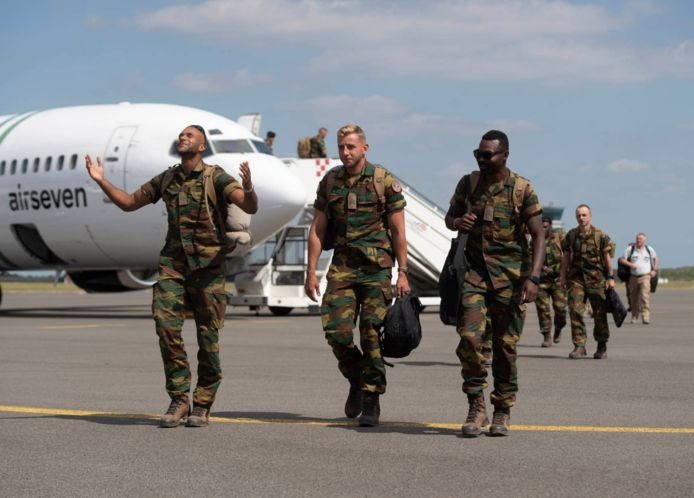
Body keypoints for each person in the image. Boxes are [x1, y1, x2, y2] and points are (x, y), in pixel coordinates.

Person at [85, 125, 258, 428]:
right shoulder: (167, 178)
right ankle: (179, 398)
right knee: (166, 327)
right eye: (181, 135)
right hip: (173, 266)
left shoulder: (216, 177)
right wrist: (102, 181)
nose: (183, 137)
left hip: (208, 268)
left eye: (190, 135)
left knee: (208, 339)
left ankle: (202, 403)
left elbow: (247, 204)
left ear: (202, 146)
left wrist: (249, 187)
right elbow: (128, 203)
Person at [304, 123, 409, 427]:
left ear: (365, 148)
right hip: (343, 268)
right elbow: (318, 229)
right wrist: (311, 271)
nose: (345, 152)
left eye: (351, 146)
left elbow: (398, 230)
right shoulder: (330, 181)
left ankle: (372, 400)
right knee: (336, 333)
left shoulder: (383, 181)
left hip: (377, 270)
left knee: (371, 335)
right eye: (341, 147)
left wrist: (403, 272)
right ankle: (357, 378)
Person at [445, 130, 544, 437]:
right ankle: (477, 406)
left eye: (488, 155)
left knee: (504, 347)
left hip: (511, 281)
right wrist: (458, 223)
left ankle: (502, 409)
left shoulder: (521, 188)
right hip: (474, 276)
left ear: (505, 156)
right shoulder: (469, 184)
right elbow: (450, 217)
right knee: (470, 340)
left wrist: (534, 277)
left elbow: (539, 234)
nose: (482, 159)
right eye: (479, 154)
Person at [560, 205, 615, 360]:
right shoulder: (571, 235)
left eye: (584, 215)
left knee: (599, 313)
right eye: (578, 215)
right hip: (576, 279)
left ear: (590, 215)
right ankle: (579, 345)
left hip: (596, 280)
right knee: (575, 310)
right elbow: (565, 258)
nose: (581, 218)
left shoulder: (600, 236)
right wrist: (563, 277)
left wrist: (610, 277)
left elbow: (607, 259)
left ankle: (602, 344)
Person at [532, 216, 567, 347]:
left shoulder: (559, 238)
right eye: (541, 227)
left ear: (550, 226)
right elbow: (531, 258)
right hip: (541, 280)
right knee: (542, 309)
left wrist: (555, 270)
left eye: (545, 227)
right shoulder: (534, 240)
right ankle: (547, 335)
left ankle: (559, 327)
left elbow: (567, 257)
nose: (543, 229)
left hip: (557, 279)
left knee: (561, 309)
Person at [618, 233, 659, 324]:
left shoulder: (649, 249)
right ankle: (634, 316)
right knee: (633, 298)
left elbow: (656, 258)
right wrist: (630, 264)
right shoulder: (630, 249)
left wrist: (654, 270)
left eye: (640, 239)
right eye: (637, 238)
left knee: (645, 297)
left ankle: (645, 316)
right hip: (633, 277)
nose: (638, 240)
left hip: (645, 276)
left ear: (644, 240)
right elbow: (621, 259)